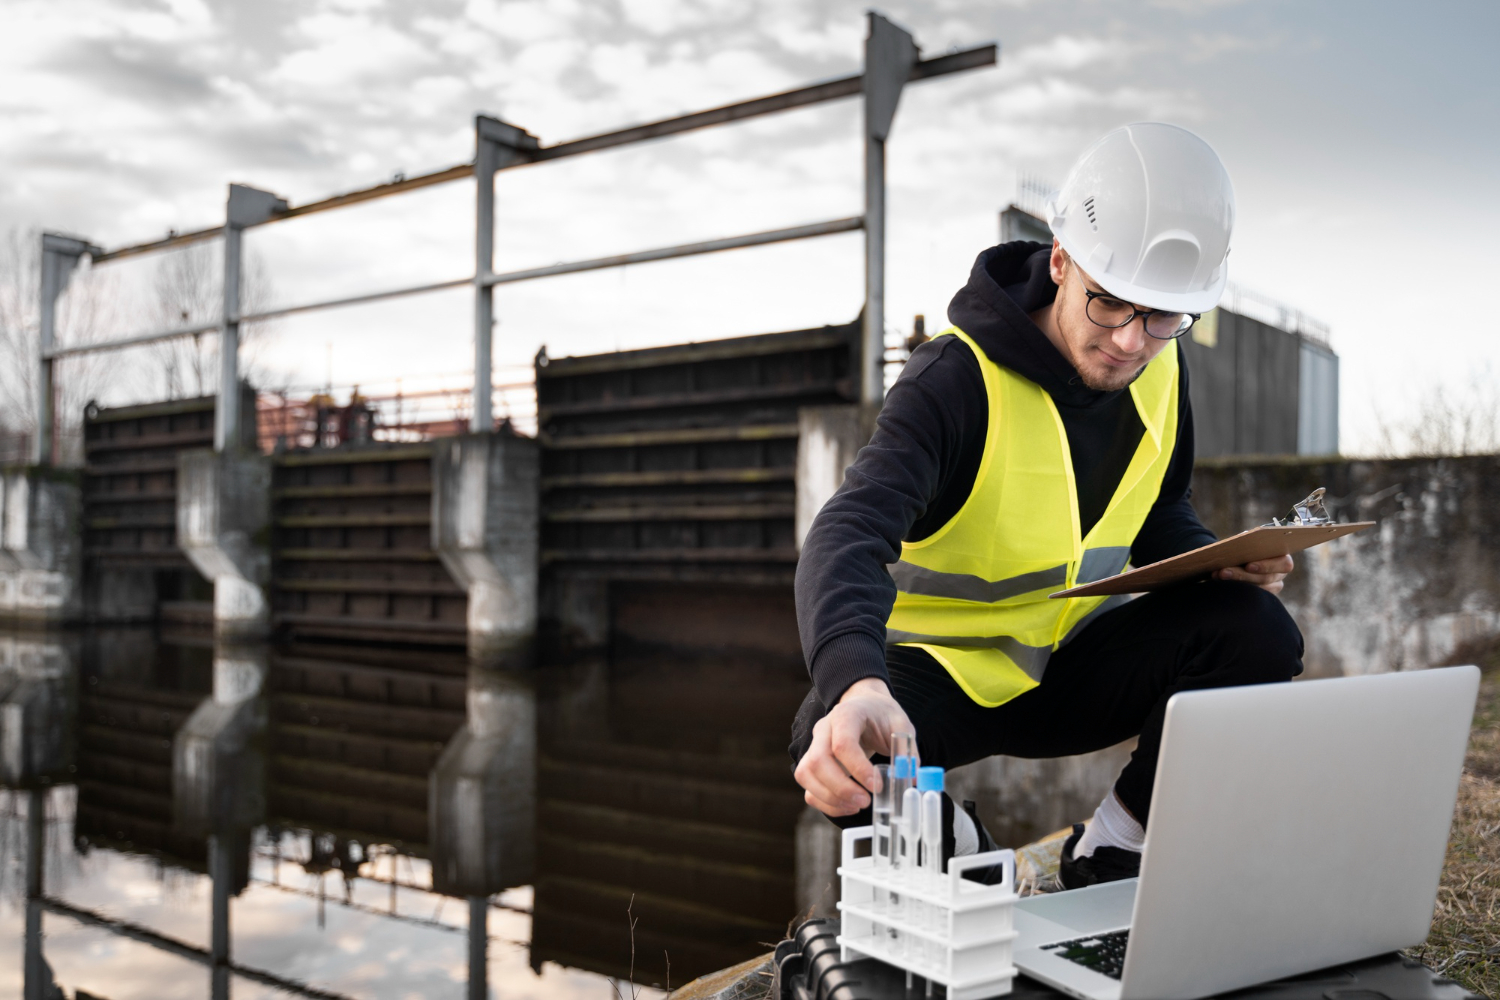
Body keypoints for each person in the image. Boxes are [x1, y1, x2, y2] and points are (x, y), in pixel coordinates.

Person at [789, 122, 1304, 888]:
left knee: (1257, 630)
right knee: (832, 737)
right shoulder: (953, 383)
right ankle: (976, 869)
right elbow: (849, 532)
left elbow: (1159, 511)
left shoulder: (1163, 369)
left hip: (1075, 668)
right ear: (1061, 261)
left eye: (1163, 316)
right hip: (949, 679)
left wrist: (1213, 564)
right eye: (1110, 304)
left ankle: (1114, 849)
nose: (1131, 342)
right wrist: (858, 683)